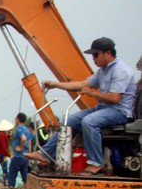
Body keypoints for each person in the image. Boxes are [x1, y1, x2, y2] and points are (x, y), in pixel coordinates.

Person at [25, 37, 136, 175]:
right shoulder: (102, 71)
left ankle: (96, 163)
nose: (93, 59)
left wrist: (92, 93)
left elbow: (115, 98)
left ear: (107, 53)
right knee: (69, 121)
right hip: (103, 109)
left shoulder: (121, 71)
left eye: (96, 55)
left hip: (119, 112)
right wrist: (55, 85)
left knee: (89, 121)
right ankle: (46, 154)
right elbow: (82, 84)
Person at [8, 113, 31, 187]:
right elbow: (29, 142)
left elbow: (23, 138)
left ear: (17, 119)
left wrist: (20, 148)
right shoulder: (27, 130)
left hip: (18, 156)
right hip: (25, 157)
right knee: (25, 177)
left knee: (12, 176)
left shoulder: (19, 129)